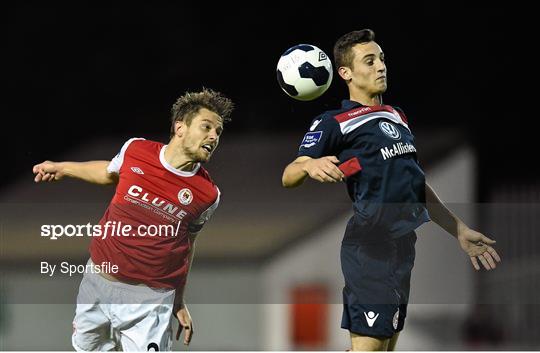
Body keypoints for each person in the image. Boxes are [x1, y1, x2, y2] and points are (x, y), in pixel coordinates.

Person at [281, 29, 501, 351]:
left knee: (381, 349)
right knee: (370, 348)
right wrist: (309, 166)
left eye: (381, 59)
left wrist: (459, 230)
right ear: (345, 73)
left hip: (402, 247)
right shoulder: (335, 121)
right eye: (369, 61)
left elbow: (415, 184)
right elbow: (289, 174)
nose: (380, 66)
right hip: (370, 247)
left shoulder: (396, 117)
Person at [32, 88, 234, 351]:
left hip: (149, 302)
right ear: (180, 127)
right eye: (206, 127)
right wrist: (63, 168)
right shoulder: (136, 150)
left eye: (218, 132)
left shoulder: (207, 194)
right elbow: (108, 173)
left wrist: (178, 299)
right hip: (97, 285)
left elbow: (188, 245)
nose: (213, 136)